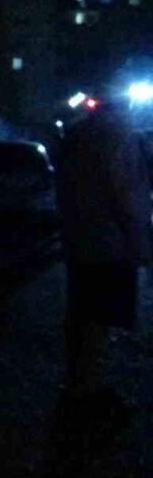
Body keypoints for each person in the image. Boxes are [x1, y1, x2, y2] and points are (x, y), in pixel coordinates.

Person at [55, 101, 151, 428]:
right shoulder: (119, 138)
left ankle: (78, 383)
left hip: (79, 240)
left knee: (82, 315)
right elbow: (126, 195)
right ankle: (89, 391)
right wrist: (138, 242)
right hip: (110, 244)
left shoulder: (76, 136)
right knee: (100, 319)